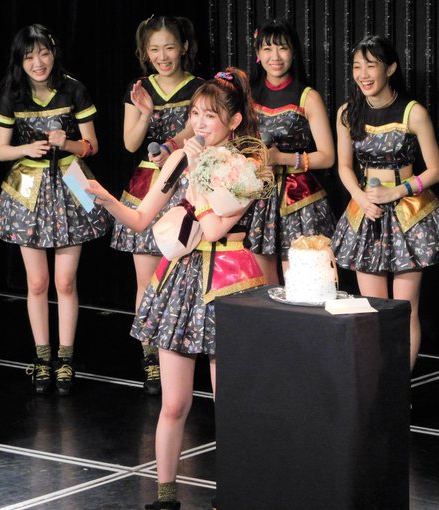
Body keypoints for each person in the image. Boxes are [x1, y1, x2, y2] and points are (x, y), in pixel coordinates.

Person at [88, 68, 267, 510]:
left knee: (229, 403)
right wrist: (107, 198)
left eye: (210, 115)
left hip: (228, 279)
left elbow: (213, 227)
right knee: (173, 404)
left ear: (234, 121)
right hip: (180, 281)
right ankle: (165, 496)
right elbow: (140, 220)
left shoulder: (246, 166)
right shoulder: (178, 159)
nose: (199, 123)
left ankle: (235, 492)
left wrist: (201, 174)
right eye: (195, 114)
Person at [0, 24, 110, 396]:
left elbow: (92, 146)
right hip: (27, 186)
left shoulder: (74, 89)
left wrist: (68, 143)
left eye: (43, 53)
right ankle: (42, 358)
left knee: (65, 282)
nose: (38, 62)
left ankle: (66, 358)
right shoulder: (12, 93)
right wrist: (26, 149)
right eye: (29, 56)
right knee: (37, 282)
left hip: (72, 180)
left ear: (54, 53)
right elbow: (0, 151)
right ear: (20, 60)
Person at [332, 35, 439, 370]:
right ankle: (377, 382)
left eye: (371, 65)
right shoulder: (347, 113)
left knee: (403, 309)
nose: (363, 74)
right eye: (357, 66)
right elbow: (344, 167)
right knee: (373, 309)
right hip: (366, 213)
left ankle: (399, 385)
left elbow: (436, 170)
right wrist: (361, 198)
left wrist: (395, 192)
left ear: (391, 68)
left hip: (407, 215)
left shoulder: (413, 112)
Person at [110, 15, 204, 395]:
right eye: (154, 49)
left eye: (169, 47)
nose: (162, 56)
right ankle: (150, 357)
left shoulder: (199, 87)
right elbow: (130, 143)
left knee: (185, 279)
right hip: (147, 187)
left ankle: (181, 350)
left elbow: (200, 129)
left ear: (183, 47)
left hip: (186, 186)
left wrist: (171, 145)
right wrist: (146, 113)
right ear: (145, 52)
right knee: (146, 281)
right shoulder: (139, 89)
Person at [242, 18, 336, 283]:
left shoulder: (308, 96)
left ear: (294, 52)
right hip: (258, 197)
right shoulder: (248, 96)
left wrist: (281, 158)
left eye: (282, 48)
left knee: (303, 285)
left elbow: (327, 156)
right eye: (267, 49)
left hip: (300, 199)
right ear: (258, 53)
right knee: (263, 287)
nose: (275, 57)